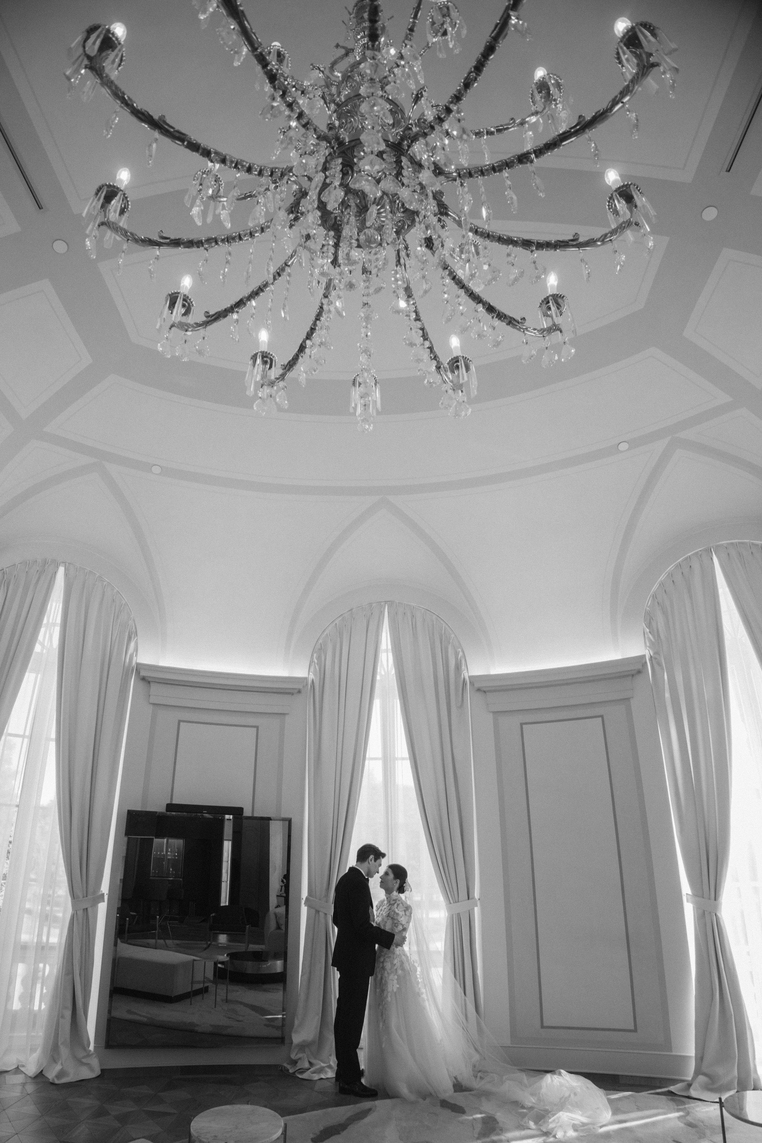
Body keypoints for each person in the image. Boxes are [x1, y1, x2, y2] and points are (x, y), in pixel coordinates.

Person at [364, 863, 612, 1137]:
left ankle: (404, 1076)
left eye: (386, 874)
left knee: (400, 1018)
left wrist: (380, 935)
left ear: (397, 881)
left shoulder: (402, 907)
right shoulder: (379, 904)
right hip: (380, 964)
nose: (381, 878)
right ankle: (388, 1070)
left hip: (395, 966)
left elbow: (398, 940)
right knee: (385, 1017)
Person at [332, 843, 405, 1098]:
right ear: (370, 859)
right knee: (351, 1020)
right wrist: (389, 939)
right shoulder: (358, 883)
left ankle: (344, 1070)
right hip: (356, 960)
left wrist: (355, 931)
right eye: (377, 865)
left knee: (344, 1015)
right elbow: (363, 927)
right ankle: (350, 1080)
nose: (377, 872)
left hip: (347, 957)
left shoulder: (344, 880)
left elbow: (337, 919)